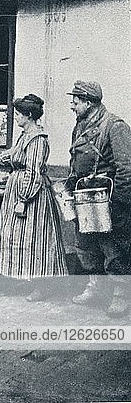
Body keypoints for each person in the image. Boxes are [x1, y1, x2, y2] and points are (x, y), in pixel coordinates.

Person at [0, 94, 68, 300]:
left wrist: (23, 199)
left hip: (33, 197)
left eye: (18, 114)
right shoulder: (24, 137)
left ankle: (43, 286)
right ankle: (28, 280)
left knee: (38, 239)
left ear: (28, 115)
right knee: (19, 237)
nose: (15, 117)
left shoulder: (37, 140)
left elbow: (33, 173)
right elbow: (12, 155)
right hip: (18, 191)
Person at [64, 80, 131, 317]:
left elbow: (126, 168)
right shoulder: (80, 125)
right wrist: (69, 188)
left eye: (76, 101)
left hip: (108, 201)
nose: (72, 106)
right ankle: (96, 287)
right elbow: (75, 162)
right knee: (85, 246)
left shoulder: (114, 126)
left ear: (89, 102)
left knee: (114, 249)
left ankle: (122, 295)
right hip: (85, 198)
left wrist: (118, 204)